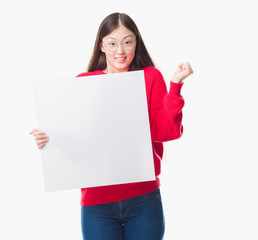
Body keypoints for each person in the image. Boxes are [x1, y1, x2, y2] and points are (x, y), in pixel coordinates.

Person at [30, 12, 193, 240]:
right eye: (112, 43)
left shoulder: (150, 77)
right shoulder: (84, 84)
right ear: (102, 46)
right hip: (97, 205)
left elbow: (165, 132)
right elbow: (78, 143)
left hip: (144, 199)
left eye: (127, 42)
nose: (120, 51)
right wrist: (50, 140)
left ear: (136, 42)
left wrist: (175, 85)